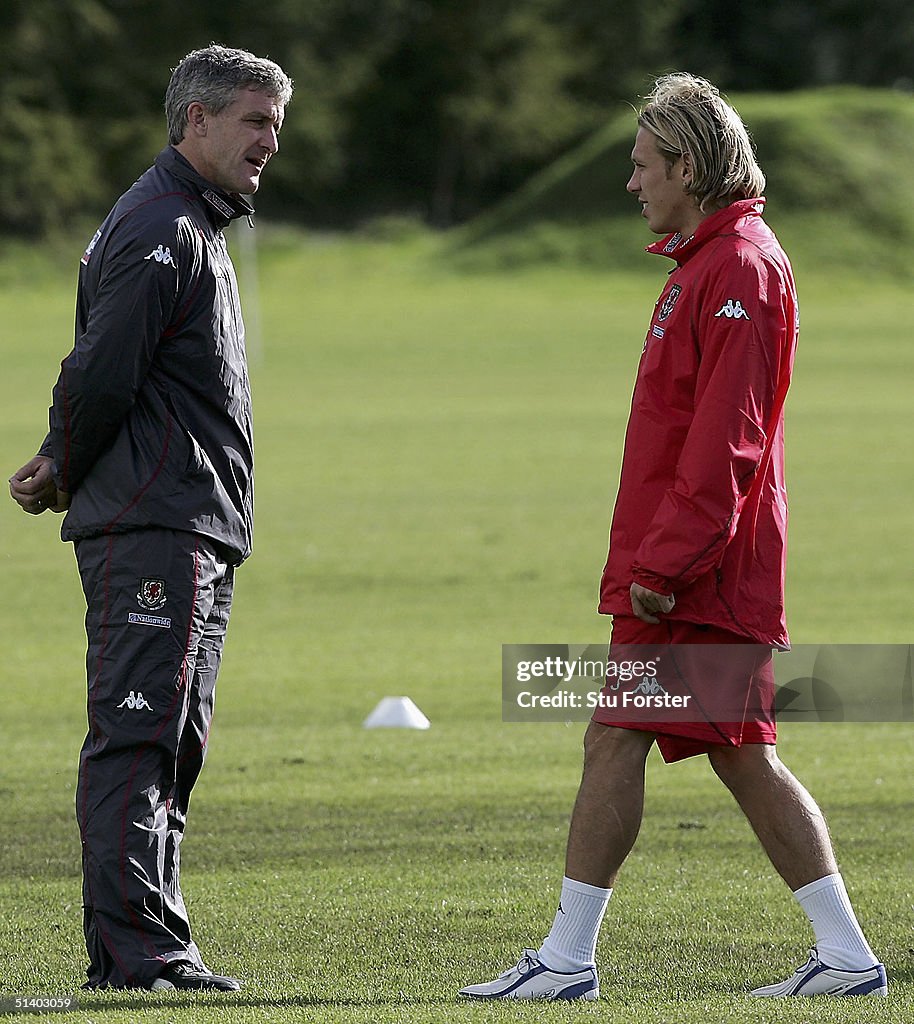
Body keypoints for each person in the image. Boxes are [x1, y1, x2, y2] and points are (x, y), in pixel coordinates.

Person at [459, 73, 886, 1001]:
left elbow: (727, 435)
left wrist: (666, 563)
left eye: (643, 163)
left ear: (688, 168)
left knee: (639, 738)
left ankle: (570, 961)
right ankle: (845, 959)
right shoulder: (708, 262)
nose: (632, 181)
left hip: (700, 570)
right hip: (692, 562)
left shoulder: (740, 267)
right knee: (710, 747)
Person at [8, 44, 292, 991]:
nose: (269, 143)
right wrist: (63, 460)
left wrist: (65, 459)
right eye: (254, 122)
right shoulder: (164, 227)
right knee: (138, 732)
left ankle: (151, 948)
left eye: (275, 126)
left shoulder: (191, 221)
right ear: (196, 120)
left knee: (173, 735)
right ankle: (140, 956)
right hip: (152, 522)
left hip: (185, 521)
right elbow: (99, 369)